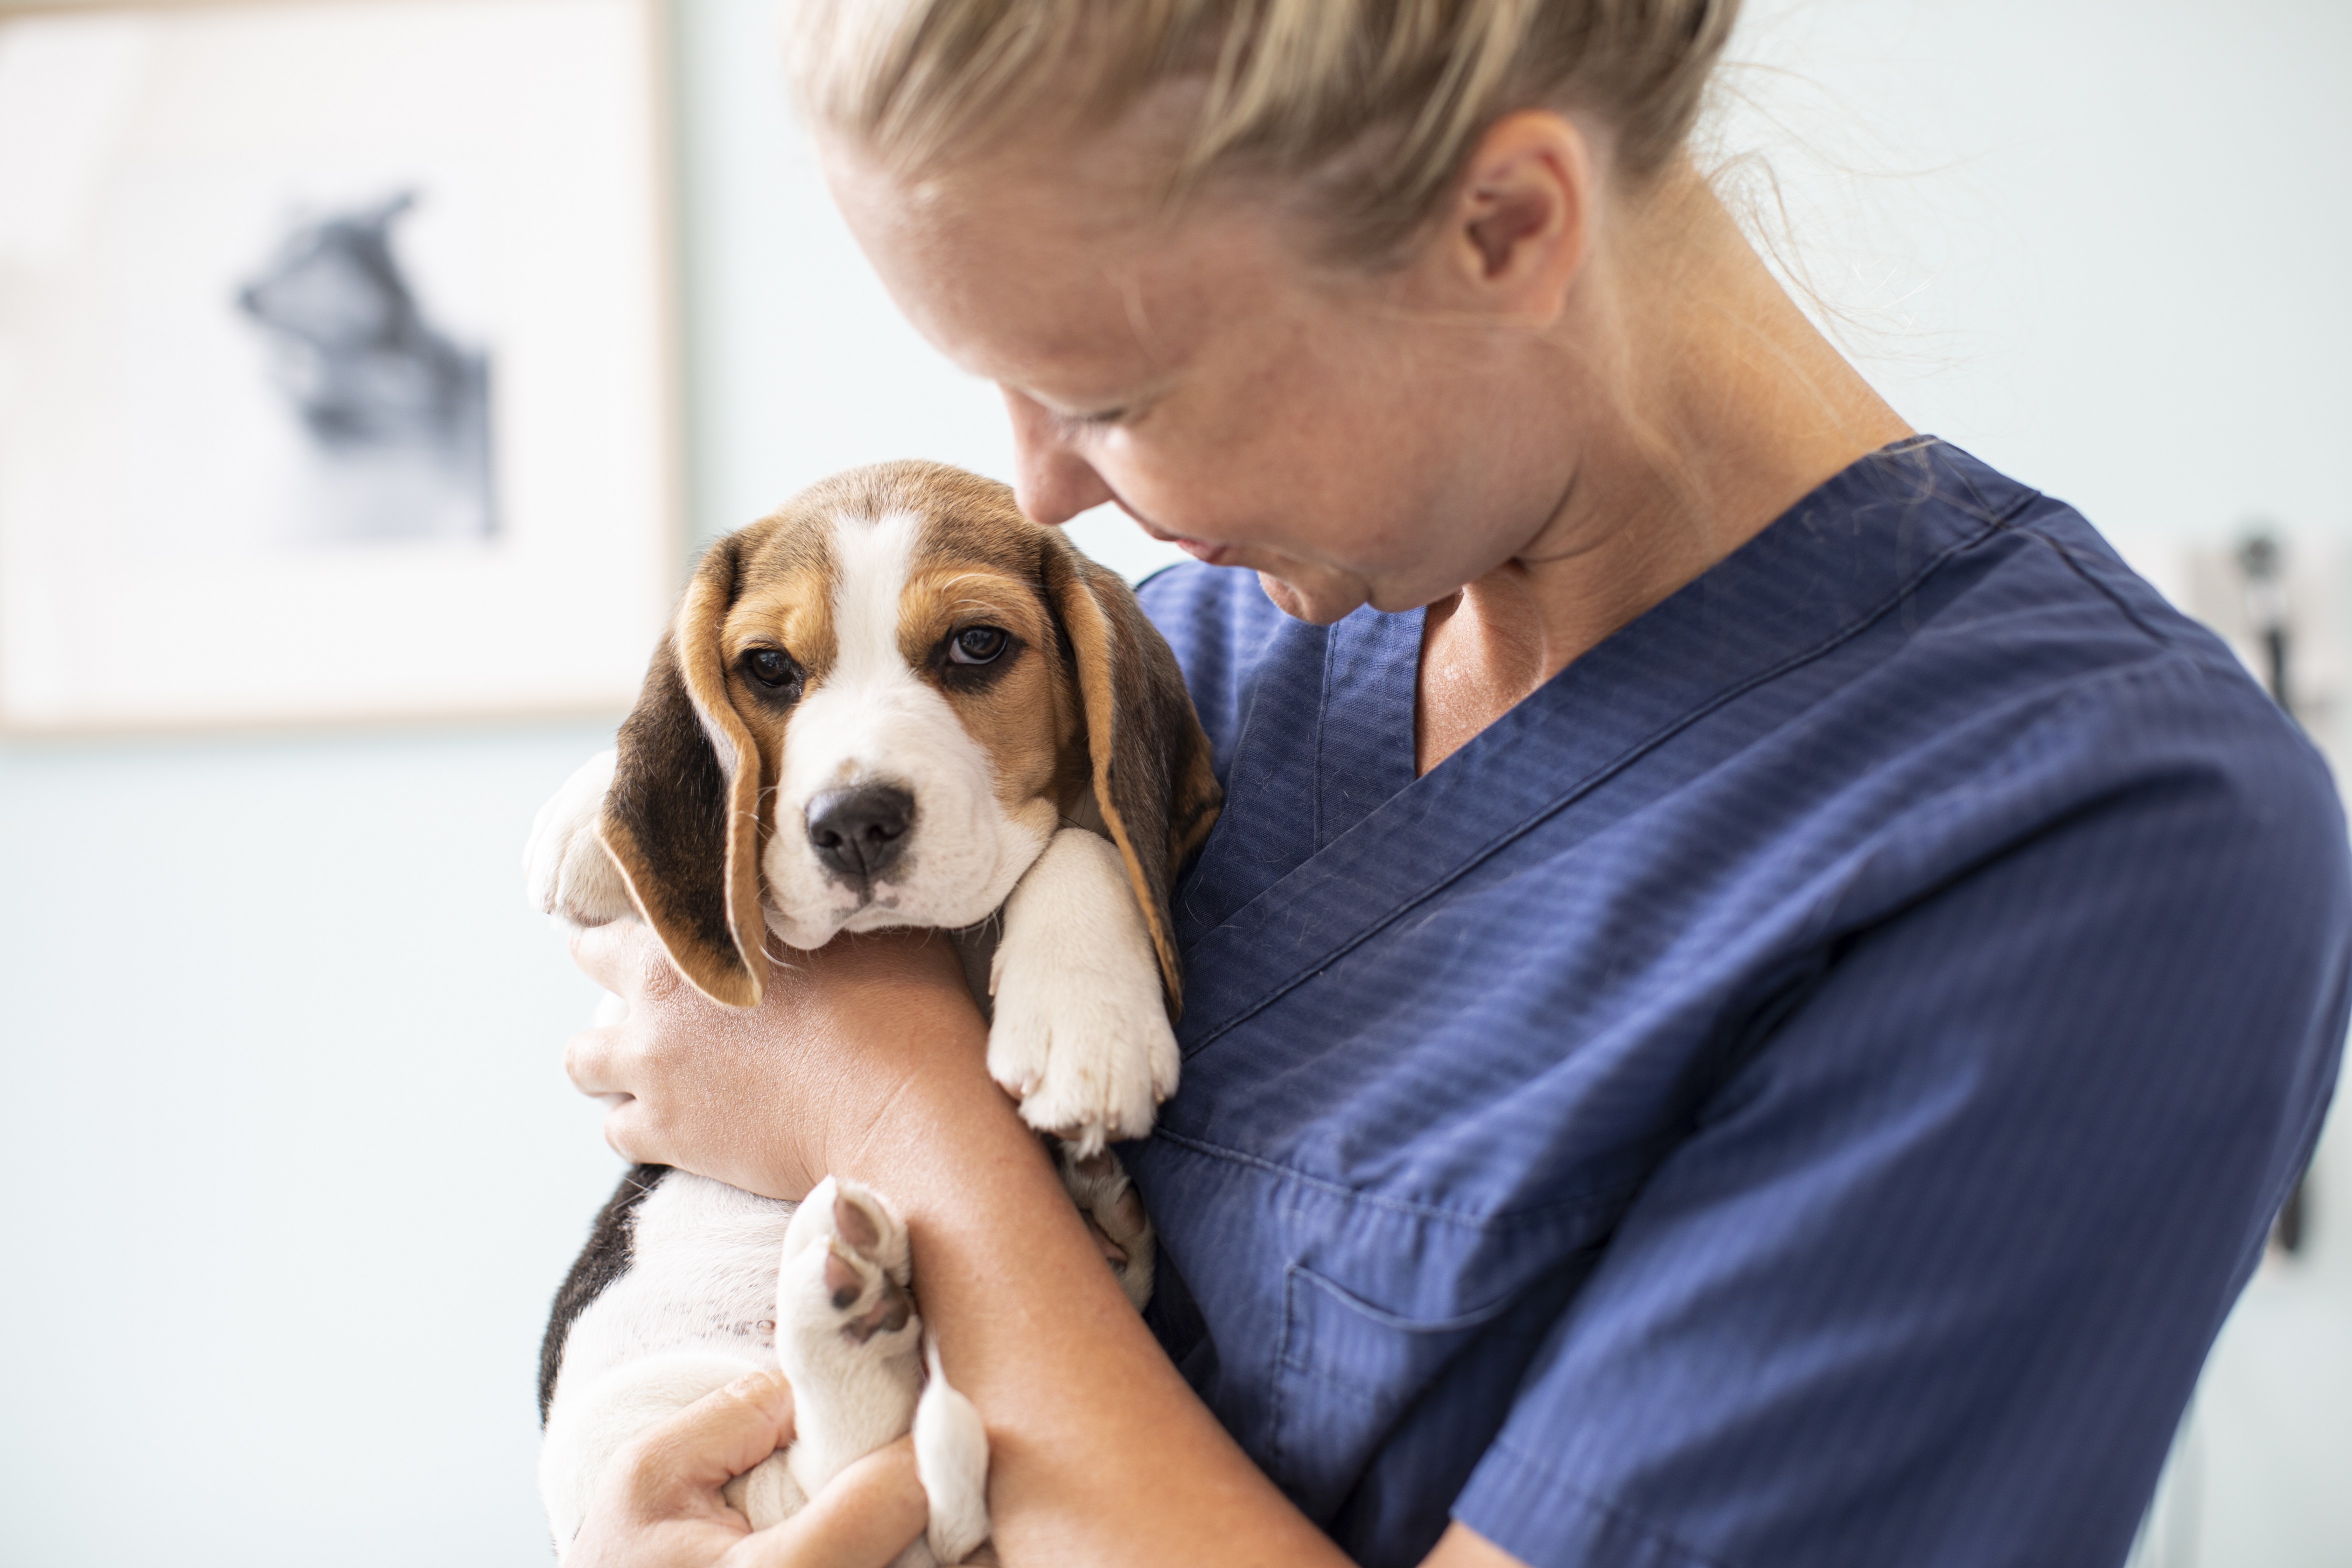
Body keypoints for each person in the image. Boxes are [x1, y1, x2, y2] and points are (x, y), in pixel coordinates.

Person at [558, 2, 2352, 1564]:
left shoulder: (2098, 836)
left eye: (1112, 389)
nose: (1045, 497)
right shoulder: (1183, 674)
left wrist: (891, 1119)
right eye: (1004, 386)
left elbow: (847, 1091)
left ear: (1502, 226)